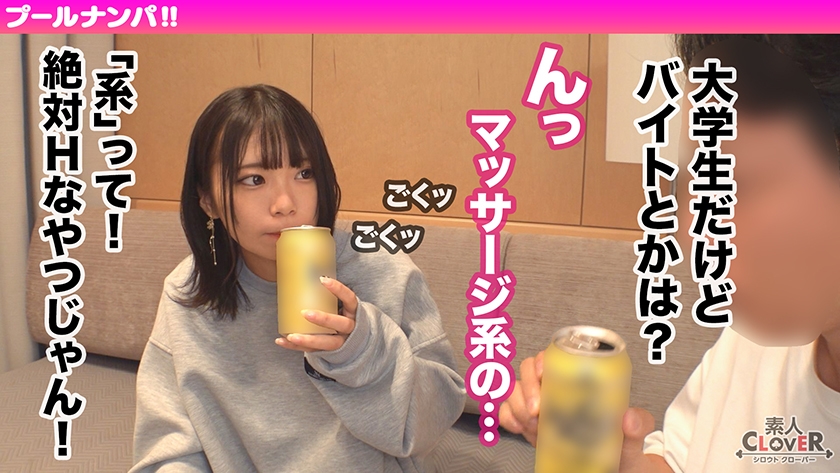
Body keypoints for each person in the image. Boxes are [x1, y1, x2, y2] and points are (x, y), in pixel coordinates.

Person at [500, 34, 840, 472]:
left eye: (735, 186)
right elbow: (681, 461)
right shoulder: (754, 343)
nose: (690, 232)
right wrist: (616, 460)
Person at [129, 84, 466, 473]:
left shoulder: (381, 269)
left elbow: (433, 421)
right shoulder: (189, 292)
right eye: (254, 179)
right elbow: (170, 448)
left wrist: (364, 352)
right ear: (208, 201)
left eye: (304, 173)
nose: (286, 204)